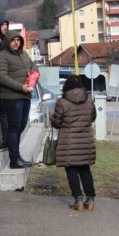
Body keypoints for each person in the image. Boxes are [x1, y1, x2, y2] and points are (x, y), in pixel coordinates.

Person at [51, 75, 97, 211]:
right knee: (85, 170)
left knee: (71, 170)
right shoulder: (89, 100)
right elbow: (93, 117)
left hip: (69, 143)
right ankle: (90, 199)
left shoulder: (62, 102)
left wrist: (53, 120)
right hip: (86, 141)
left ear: (67, 86)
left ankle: (78, 201)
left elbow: (57, 122)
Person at [0, 31, 39, 169]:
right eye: (13, 40)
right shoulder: (1, 56)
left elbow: (33, 65)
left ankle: (17, 156)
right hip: (12, 97)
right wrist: (20, 87)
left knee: (21, 126)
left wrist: (35, 73)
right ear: (8, 41)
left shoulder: (23, 54)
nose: (16, 42)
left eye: (18, 40)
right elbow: (2, 77)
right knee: (14, 128)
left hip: (26, 95)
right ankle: (14, 159)